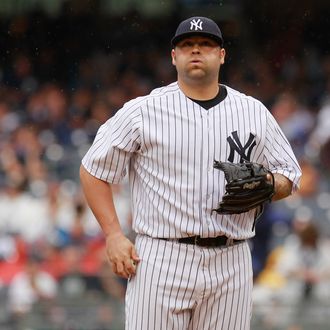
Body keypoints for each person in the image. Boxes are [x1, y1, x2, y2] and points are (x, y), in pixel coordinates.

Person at [80, 16, 301, 330]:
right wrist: (113, 234)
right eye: (187, 45)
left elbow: (289, 174)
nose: (196, 50)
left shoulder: (254, 112)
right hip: (162, 255)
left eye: (206, 44)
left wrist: (269, 183)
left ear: (222, 55)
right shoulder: (142, 111)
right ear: (174, 57)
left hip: (232, 257)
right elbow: (93, 170)